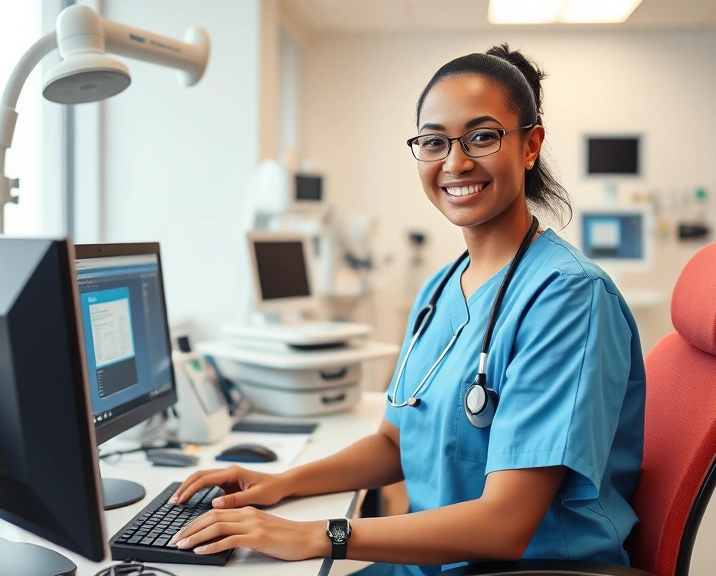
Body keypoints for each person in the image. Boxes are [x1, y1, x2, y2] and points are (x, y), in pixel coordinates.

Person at [167, 44, 646, 573]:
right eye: (434, 142)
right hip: (432, 564)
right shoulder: (439, 290)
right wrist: (281, 484)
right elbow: (394, 443)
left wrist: (314, 534)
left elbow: (506, 525)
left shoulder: (567, 297)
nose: (455, 162)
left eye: (482, 137)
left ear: (530, 145)